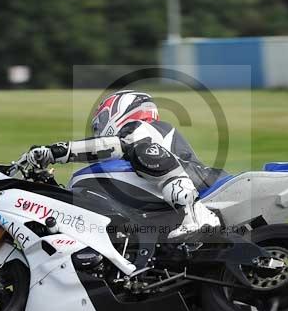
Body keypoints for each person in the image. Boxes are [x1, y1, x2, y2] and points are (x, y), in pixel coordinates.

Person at [18, 90, 222, 238]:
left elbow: (114, 145)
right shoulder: (153, 137)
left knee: (141, 150)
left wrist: (59, 151)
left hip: (203, 184)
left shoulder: (142, 128)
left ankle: (195, 214)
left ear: (121, 110)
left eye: (102, 121)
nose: (99, 130)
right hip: (194, 184)